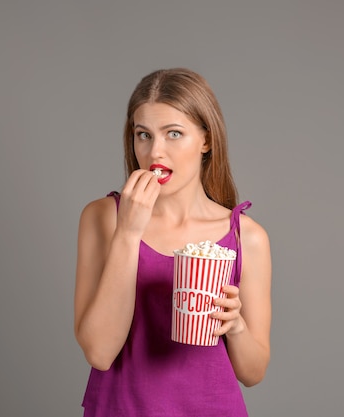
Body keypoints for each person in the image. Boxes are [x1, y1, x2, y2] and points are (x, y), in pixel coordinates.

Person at [74, 68, 272, 417]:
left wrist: (236, 325)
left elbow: (253, 373)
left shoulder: (247, 237)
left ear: (206, 140)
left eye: (174, 133)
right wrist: (128, 233)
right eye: (144, 135)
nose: (155, 152)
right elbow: (99, 352)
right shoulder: (102, 218)